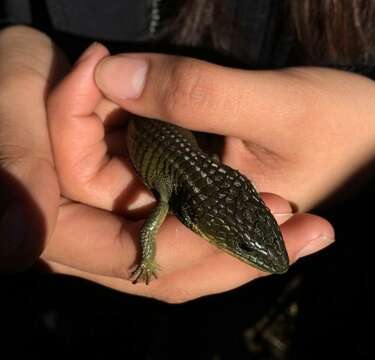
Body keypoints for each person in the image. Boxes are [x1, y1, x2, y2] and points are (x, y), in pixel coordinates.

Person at [0, 0, 373, 304]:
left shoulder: (185, 190)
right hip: (130, 118)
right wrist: (147, 260)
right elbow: (148, 234)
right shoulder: (168, 198)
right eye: (240, 245)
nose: (251, 254)